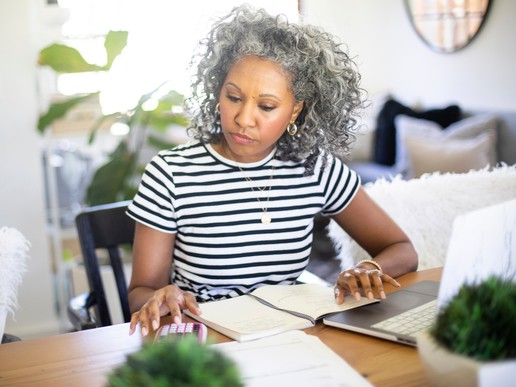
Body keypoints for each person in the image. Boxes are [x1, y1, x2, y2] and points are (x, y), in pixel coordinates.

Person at [127, 5, 418, 336]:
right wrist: (160, 297)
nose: (244, 118)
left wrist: (369, 267)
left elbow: (402, 249)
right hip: (207, 342)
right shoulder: (171, 173)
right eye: (233, 96)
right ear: (217, 92)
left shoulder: (315, 169)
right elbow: (140, 292)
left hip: (289, 336)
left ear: (295, 110)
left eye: (266, 106)